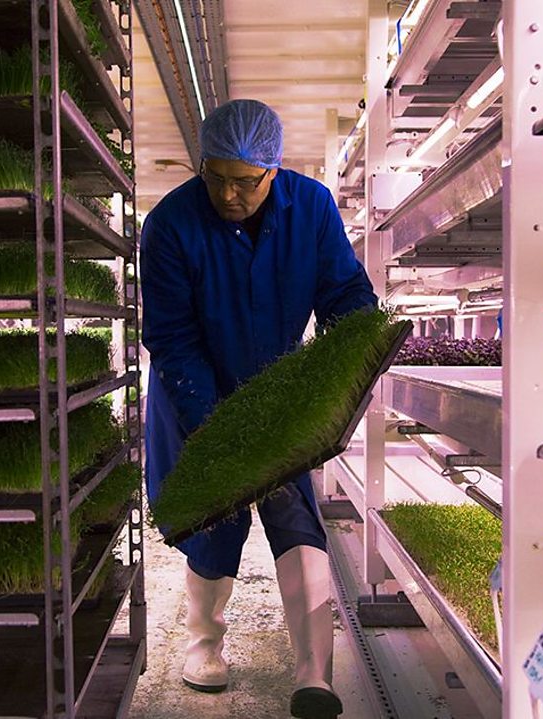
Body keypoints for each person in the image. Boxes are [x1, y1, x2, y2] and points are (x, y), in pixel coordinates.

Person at [140, 99, 377, 719]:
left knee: (293, 508)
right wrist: (220, 425)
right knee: (215, 515)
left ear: (274, 170)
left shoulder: (312, 207)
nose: (228, 193)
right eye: (214, 176)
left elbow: (344, 293)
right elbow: (171, 336)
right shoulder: (169, 224)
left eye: (245, 181)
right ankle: (204, 646)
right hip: (192, 390)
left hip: (277, 390)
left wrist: (351, 363)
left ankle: (313, 673)